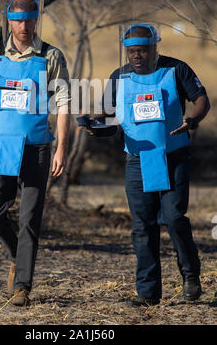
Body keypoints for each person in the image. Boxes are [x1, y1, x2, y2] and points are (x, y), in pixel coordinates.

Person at [80, 23, 210, 306]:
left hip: (173, 157)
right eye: (132, 51)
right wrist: (94, 125)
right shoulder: (119, 78)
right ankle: (148, 294)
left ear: (155, 48)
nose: (137, 56)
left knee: (174, 218)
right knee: (143, 227)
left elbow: (201, 99)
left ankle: (190, 274)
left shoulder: (176, 69)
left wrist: (193, 120)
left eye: (142, 50)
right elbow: (111, 121)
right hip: (137, 162)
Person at [0, 0, 70, 306]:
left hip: (37, 148)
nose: (23, 25)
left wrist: (61, 147)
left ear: (36, 19)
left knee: (29, 218)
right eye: (17, 19)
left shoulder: (50, 56)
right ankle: (16, 255)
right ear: (8, 20)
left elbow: (64, 103)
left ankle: (22, 287)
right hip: (1, 146)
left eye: (28, 19)